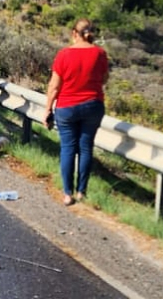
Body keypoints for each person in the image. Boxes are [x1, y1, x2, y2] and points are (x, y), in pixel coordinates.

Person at [43, 18, 109, 206]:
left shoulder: (63, 55)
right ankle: (82, 191)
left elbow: (54, 86)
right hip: (93, 105)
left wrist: (48, 109)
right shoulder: (100, 54)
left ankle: (67, 193)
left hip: (67, 107)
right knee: (86, 147)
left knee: (68, 148)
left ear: (74, 34)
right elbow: (104, 79)